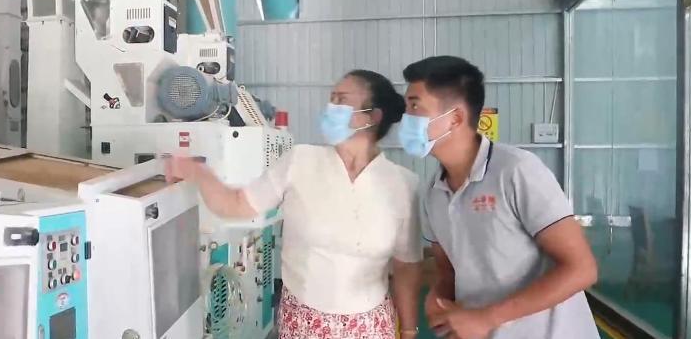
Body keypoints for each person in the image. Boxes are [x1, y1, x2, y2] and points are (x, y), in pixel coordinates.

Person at [165, 70, 423, 339]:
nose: (330, 107)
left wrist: (408, 330)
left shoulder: (402, 185)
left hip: (369, 326)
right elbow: (236, 204)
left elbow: (406, 266)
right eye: (331, 98)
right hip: (302, 322)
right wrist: (196, 171)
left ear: (372, 116)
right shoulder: (300, 161)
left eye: (341, 100)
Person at [397, 56, 599, 339]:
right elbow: (449, 271)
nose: (405, 118)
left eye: (415, 106)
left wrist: (487, 318)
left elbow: (581, 269)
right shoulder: (433, 191)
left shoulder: (516, 171)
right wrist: (439, 295)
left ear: (455, 118)